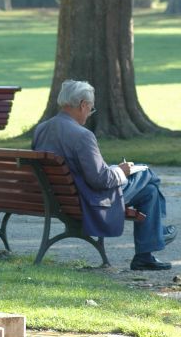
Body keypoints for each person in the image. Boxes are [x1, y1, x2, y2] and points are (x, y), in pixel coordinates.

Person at [33, 79, 177, 270]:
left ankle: (147, 252)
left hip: (58, 197)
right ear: (83, 105)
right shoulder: (82, 135)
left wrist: (114, 170)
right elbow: (101, 180)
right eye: (90, 108)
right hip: (89, 201)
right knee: (147, 176)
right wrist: (121, 171)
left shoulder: (41, 129)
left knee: (149, 191)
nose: (89, 113)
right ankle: (156, 235)